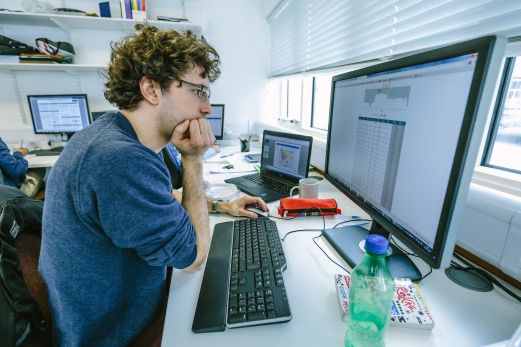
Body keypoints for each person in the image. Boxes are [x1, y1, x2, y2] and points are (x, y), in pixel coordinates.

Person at [39, 24, 268, 347]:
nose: (207, 108)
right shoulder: (118, 159)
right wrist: (193, 159)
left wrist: (221, 205)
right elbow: (193, 256)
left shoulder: (120, 136)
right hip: (120, 333)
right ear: (151, 89)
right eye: (198, 91)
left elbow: (163, 198)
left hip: (125, 309)